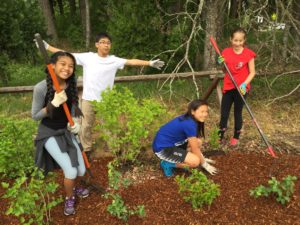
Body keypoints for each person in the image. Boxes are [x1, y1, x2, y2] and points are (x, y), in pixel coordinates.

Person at [36, 32, 165, 155]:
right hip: (88, 99)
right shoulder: (88, 57)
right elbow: (66, 54)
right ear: (97, 44)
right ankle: (86, 149)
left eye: (108, 43)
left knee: (109, 126)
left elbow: (131, 61)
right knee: (85, 126)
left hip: (106, 100)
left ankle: (113, 148)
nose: (106, 45)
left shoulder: (114, 60)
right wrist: (47, 47)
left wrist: (149, 63)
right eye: (103, 42)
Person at [32, 51, 89, 216]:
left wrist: (75, 122)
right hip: (48, 133)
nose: (67, 68)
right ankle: (69, 197)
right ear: (53, 66)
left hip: (66, 131)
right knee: (71, 171)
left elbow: (72, 108)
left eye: (71, 65)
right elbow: (35, 115)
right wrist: (53, 104)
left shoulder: (71, 84)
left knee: (81, 171)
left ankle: (73, 185)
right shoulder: (41, 88)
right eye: (63, 64)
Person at [152, 99, 218, 177]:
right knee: (195, 162)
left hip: (172, 144)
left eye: (206, 111)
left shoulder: (190, 119)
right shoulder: (189, 124)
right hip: (162, 148)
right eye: (202, 111)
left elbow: (195, 144)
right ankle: (167, 164)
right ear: (193, 111)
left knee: (198, 142)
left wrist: (202, 158)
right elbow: (195, 149)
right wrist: (204, 164)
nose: (205, 114)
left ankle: (189, 158)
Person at [217, 27, 256, 146]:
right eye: (235, 40)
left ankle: (236, 136)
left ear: (244, 40)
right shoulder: (226, 52)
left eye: (240, 41)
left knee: (237, 113)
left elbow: (252, 72)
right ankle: (220, 136)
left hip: (241, 88)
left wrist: (245, 83)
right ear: (231, 39)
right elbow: (224, 70)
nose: (237, 43)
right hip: (229, 87)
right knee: (224, 113)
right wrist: (220, 63)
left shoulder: (248, 54)